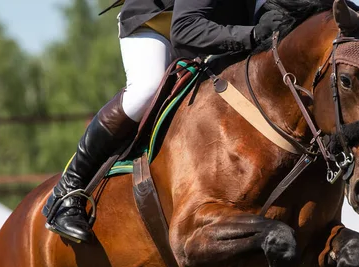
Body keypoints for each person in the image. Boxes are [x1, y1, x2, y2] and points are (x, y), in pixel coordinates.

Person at [42, 0, 283, 243]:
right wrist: (251, 34)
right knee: (145, 91)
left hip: (208, 29)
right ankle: (67, 191)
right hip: (157, 23)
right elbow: (185, 29)